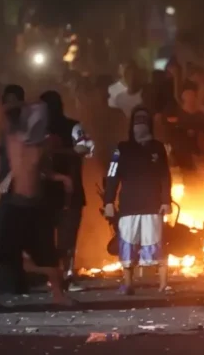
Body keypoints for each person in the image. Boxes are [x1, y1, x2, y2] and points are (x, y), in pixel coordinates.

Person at [0, 102, 73, 306]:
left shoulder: (35, 145)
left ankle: (58, 294)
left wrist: (62, 178)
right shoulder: (17, 141)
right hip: (17, 206)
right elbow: (21, 165)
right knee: (2, 253)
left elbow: (41, 170)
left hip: (34, 207)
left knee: (47, 252)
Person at [103, 106, 173, 295]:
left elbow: (165, 176)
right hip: (129, 206)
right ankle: (128, 284)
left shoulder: (157, 147)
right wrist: (108, 201)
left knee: (157, 244)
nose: (140, 124)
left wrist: (166, 200)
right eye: (137, 120)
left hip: (152, 205)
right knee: (127, 245)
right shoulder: (122, 148)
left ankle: (163, 284)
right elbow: (112, 175)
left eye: (144, 120)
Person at [40, 90, 94, 292]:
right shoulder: (37, 129)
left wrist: (57, 152)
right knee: (45, 238)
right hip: (44, 191)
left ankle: (68, 277)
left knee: (68, 238)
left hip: (70, 192)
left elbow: (85, 148)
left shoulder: (73, 126)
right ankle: (52, 277)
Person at [0, 85, 28, 293]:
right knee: (2, 233)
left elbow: (23, 158)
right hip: (7, 189)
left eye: (14, 100)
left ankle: (15, 282)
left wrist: (8, 178)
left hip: (20, 188)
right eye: (7, 100)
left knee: (8, 233)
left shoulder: (23, 127)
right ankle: (8, 282)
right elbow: (4, 160)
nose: (10, 105)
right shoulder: (6, 128)